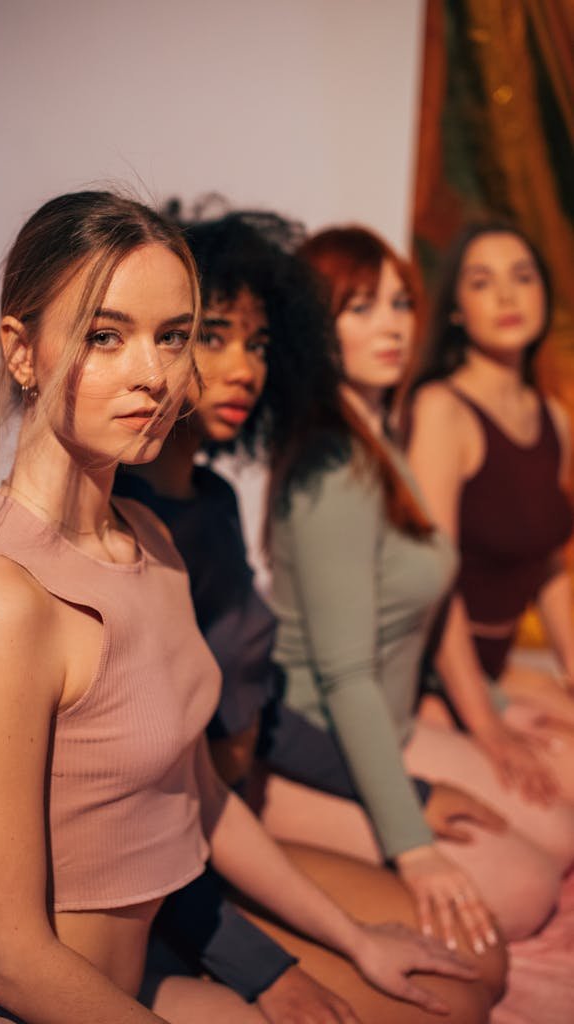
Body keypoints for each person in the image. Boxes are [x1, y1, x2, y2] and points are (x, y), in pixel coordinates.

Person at [0, 192, 479, 1024]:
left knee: (451, 988)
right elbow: (9, 964)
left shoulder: (152, 541)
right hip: (28, 1007)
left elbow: (197, 797)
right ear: (22, 353)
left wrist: (355, 937)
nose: (154, 374)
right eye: (106, 335)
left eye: (170, 337)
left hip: (132, 983)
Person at [117, 209, 507, 1023]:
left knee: (472, 968)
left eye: (257, 346)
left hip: (227, 827)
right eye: (212, 337)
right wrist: (262, 969)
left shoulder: (214, 503)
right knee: (454, 987)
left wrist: (417, 792)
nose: (242, 369)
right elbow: (138, 806)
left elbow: (258, 710)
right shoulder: (127, 524)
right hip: (165, 875)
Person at [260, 224, 574, 951]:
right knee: (524, 891)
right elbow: (343, 678)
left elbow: (420, 618)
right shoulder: (331, 464)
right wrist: (413, 845)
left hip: (390, 721)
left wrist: (498, 707)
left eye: (400, 304)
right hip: (309, 744)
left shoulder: (378, 440)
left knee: (557, 821)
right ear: (315, 327)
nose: (391, 325)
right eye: (360, 307)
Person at [408, 222, 574, 813]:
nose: (507, 296)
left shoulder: (553, 416)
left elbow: (548, 560)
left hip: (496, 668)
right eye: (483, 282)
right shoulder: (442, 410)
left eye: (522, 277)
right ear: (456, 308)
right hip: (430, 676)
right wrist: (485, 724)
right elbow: (437, 579)